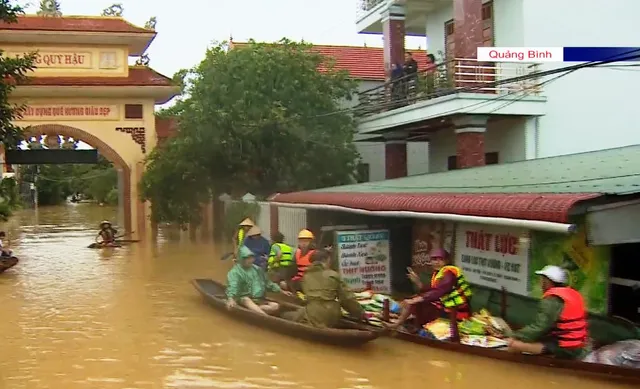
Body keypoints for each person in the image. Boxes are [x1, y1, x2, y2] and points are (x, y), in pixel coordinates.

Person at [505, 265, 590, 359]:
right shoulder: (573, 293)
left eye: (542, 280)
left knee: (515, 345)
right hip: (579, 342)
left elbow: (540, 327)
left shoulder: (553, 299)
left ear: (548, 281)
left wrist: (516, 336)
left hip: (566, 346)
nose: (541, 283)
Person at [384, 248, 473, 330]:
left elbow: (439, 291)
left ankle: (398, 324)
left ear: (446, 261)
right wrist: (417, 282)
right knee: (414, 299)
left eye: (440, 259)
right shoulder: (438, 274)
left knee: (415, 301)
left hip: (457, 311)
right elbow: (430, 290)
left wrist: (416, 300)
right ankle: (406, 323)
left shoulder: (449, 271)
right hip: (447, 307)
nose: (437, 262)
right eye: (434, 259)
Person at [283, 249, 366, 328]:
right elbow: (347, 299)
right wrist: (360, 314)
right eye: (329, 260)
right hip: (332, 314)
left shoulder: (305, 277)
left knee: (287, 315)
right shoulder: (333, 275)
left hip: (312, 313)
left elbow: (299, 292)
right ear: (325, 260)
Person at [226, 246, 293, 315]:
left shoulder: (257, 269)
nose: (250, 260)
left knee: (275, 306)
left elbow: (268, 283)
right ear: (242, 259)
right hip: (243, 299)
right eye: (247, 258)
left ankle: (256, 310)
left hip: (258, 299)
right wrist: (231, 299)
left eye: (251, 258)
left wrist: (281, 291)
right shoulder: (235, 272)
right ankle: (265, 316)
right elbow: (233, 286)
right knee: (246, 300)